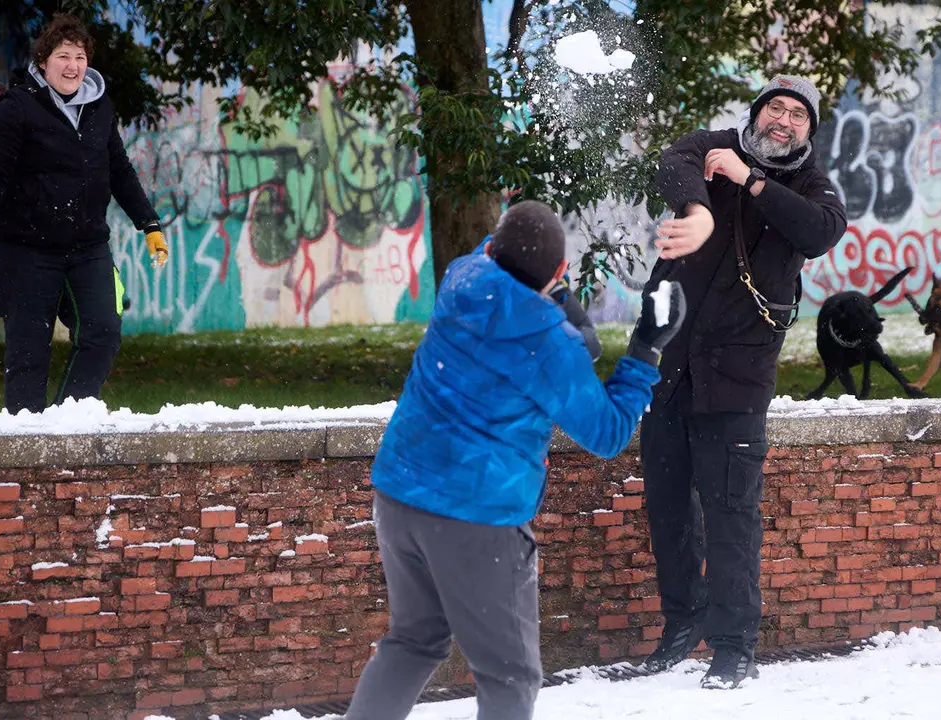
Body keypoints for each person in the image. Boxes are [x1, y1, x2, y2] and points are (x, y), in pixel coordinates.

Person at [344, 200, 687, 720]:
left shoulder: (463, 277)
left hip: (399, 495)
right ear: (556, 273)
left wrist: (559, 305)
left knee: (413, 641)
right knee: (510, 677)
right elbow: (608, 432)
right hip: (477, 519)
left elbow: (503, 269)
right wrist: (647, 346)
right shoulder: (549, 346)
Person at [638, 75, 848, 688]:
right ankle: (683, 620)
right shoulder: (715, 146)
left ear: (810, 129)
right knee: (668, 507)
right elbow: (669, 159)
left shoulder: (811, 185)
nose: (783, 121)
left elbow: (821, 230)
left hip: (738, 377)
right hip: (671, 368)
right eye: (774, 109)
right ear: (755, 114)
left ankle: (734, 646)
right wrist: (701, 207)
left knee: (732, 516)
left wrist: (749, 180)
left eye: (797, 115)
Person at [0, 14, 167, 414]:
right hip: (26, 249)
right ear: (43, 61)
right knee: (28, 355)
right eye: (63, 56)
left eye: (80, 57)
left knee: (103, 333)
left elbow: (119, 168)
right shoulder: (16, 108)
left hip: (88, 246)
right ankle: (25, 445)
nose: (73, 66)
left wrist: (149, 223)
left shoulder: (98, 105)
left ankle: (69, 419)